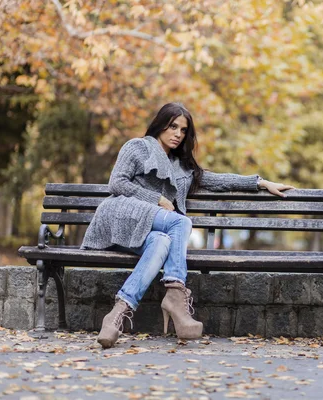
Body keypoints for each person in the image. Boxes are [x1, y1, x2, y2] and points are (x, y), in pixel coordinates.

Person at [81, 102, 294, 349]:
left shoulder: (183, 167)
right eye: (173, 127)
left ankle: (117, 314)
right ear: (161, 124)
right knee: (180, 222)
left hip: (148, 231)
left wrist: (260, 182)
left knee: (162, 242)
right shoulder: (138, 147)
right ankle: (175, 292)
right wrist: (157, 199)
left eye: (183, 130)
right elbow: (116, 183)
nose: (177, 134)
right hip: (122, 216)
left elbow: (217, 180)